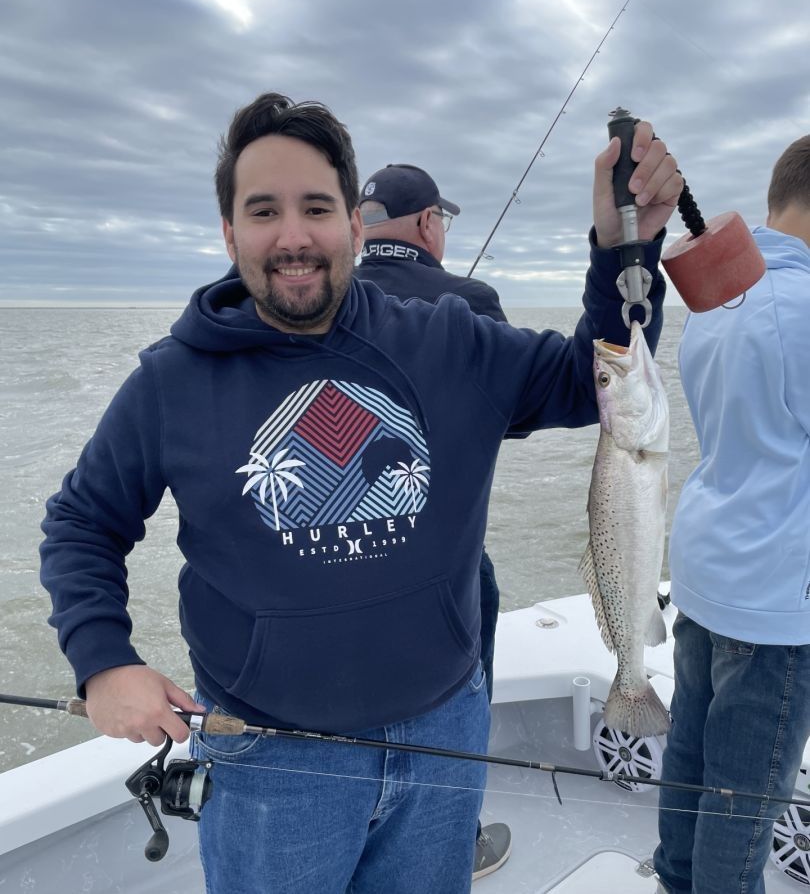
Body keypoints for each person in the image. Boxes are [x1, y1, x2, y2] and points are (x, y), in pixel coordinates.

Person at [40, 91, 681, 894]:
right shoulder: (172, 380)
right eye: (264, 210)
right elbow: (81, 521)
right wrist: (104, 663)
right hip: (271, 755)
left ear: (351, 221)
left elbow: (601, 381)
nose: (294, 235)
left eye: (316, 207)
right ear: (229, 231)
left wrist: (624, 248)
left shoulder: (453, 341)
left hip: (444, 731)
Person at [654, 136, 810, 894]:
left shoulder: (714, 304)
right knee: (742, 801)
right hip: (775, 596)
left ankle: (673, 882)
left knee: (691, 759)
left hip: (708, 568)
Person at [355, 162, 513, 880]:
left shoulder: (324, 297)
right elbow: (509, 417)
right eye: (443, 220)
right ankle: (458, 828)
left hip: (333, 562)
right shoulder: (469, 299)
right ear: (427, 224)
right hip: (444, 571)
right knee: (470, 638)